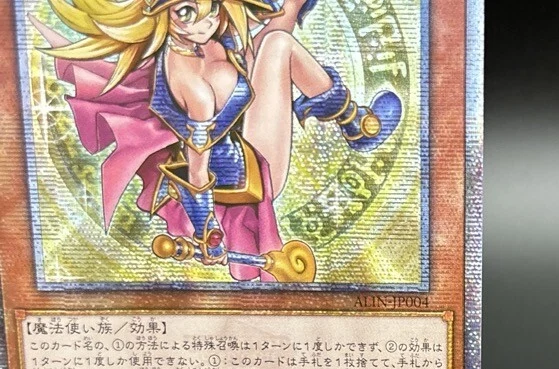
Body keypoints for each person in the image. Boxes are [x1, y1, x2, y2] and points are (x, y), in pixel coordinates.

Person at [32, 0, 402, 280]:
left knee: (281, 17)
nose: (207, 19)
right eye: (187, 11)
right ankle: (355, 123)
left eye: (209, 7)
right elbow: (198, 168)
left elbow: (259, 23)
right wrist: (207, 229)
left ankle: (350, 120)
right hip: (252, 173)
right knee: (278, 45)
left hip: (244, 131)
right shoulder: (193, 86)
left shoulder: (200, 36)